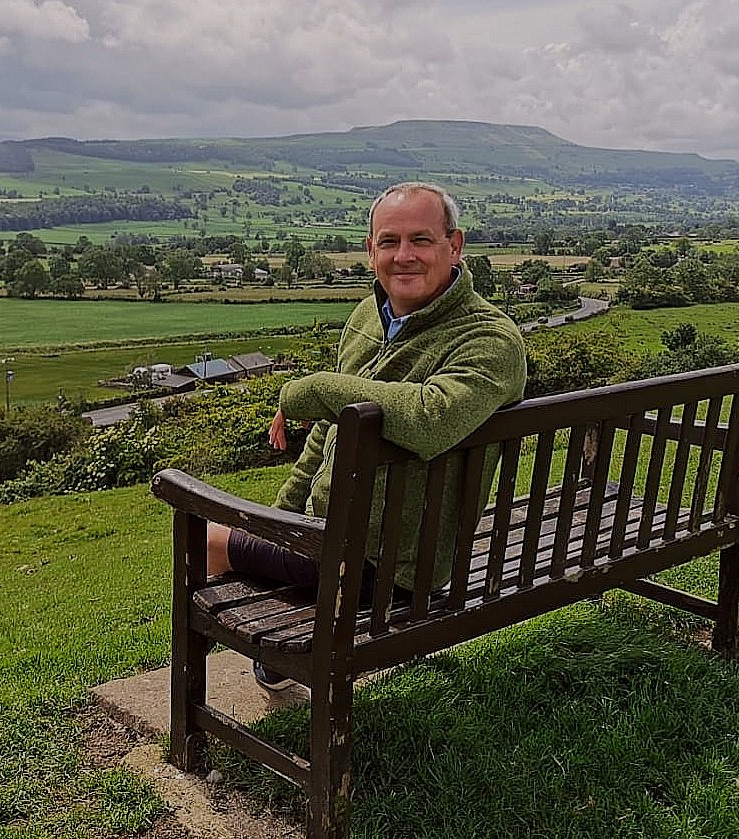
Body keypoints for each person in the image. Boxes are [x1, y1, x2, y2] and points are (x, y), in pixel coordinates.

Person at [206, 182, 527, 690]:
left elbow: (429, 419)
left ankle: (270, 655)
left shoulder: (487, 338)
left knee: (204, 541)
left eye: (421, 240)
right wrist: (282, 515)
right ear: (370, 249)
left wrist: (308, 389)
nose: (404, 256)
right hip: (332, 538)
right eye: (389, 241)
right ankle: (286, 646)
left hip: (391, 566)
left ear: (455, 245)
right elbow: (326, 439)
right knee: (252, 536)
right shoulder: (365, 318)